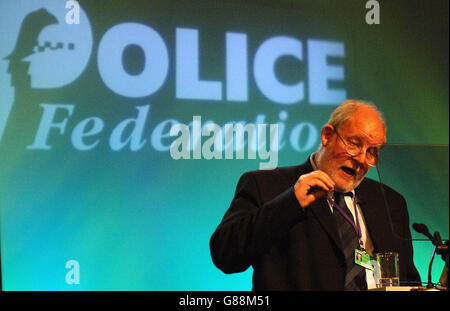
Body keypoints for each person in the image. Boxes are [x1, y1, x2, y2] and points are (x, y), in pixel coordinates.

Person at [209, 100, 421, 290]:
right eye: (354, 144)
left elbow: (409, 280)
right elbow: (225, 255)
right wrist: (291, 202)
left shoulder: (389, 202)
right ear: (327, 135)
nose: (362, 160)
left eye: (372, 152)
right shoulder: (267, 185)